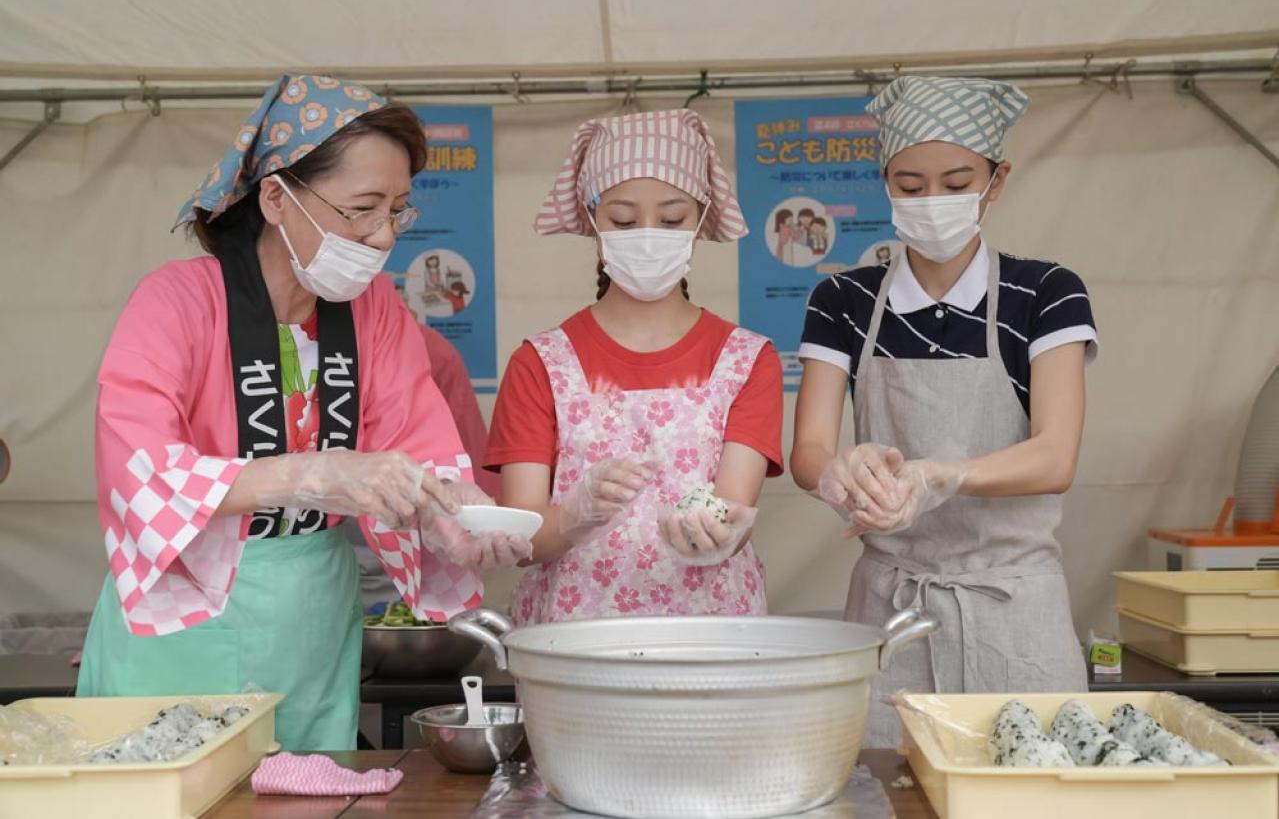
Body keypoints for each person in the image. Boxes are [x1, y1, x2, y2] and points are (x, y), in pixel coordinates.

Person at [76, 74, 531, 750]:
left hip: (312, 612)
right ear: (276, 197)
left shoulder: (375, 312)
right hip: (187, 612)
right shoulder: (175, 302)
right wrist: (312, 474)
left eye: (397, 211)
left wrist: (450, 519)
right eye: (361, 209)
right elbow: (140, 470)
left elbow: (419, 442)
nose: (382, 238)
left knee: (311, 791)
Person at [790, 77, 1099, 747]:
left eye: (956, 180)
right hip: (891, 613)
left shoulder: (1043, 293)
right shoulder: (841, 299)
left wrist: (937, 475)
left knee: (1030, 791)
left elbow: (1054, 455)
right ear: (885, 182)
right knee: (885, 789)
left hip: (1014, 609)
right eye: (909, 183)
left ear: (997, 179)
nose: (932, 200)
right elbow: (808, 452)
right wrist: (842, 472)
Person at [487, 109, 784, 626]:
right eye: (623, 220)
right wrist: (577, 513)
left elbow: (733, 518)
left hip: (712, 637)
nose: (648, 236)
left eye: (671, 219)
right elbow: (523, 542)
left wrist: (715, 533)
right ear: (592, 218)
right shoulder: (540, 364)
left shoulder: (745, 361)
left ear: (700, 215)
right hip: (575, 642)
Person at [346, 322, 502, 611]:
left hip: (412, 527)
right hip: (321, 534)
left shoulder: (434, 353)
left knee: (395, 619)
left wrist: (476, 518)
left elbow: (468, 447)